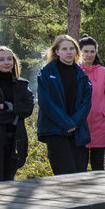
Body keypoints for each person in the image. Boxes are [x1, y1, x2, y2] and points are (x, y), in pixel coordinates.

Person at [37, 35, 92, 175]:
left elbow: (86, 103)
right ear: (57, 52)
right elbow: (46, 102)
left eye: (72, 48)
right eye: (64, 49)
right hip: (56, 130)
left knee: (79, 172)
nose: (69, 52)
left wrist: (73, 123)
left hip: (77, 130)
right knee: (64, 173)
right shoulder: (46, 73)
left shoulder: (82, 75)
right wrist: (66, 123)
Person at [0, 46, 35, 181]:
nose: (6, 62)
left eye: (9, 59)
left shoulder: (22, 85)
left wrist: (7, 107)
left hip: (16, 138)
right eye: (2, 59)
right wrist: (15, 114)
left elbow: (28, 109)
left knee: (10, 178)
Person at [79, 34, 105, 171]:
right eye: (85, 51)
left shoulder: (104, 73)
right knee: (80, 163)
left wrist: (100, 108)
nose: (89, 55)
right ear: (80, 52)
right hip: (80, 122)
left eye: (92, 51)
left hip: (100, 122)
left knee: (97, 164)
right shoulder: (75, 71)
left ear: (96, 52)